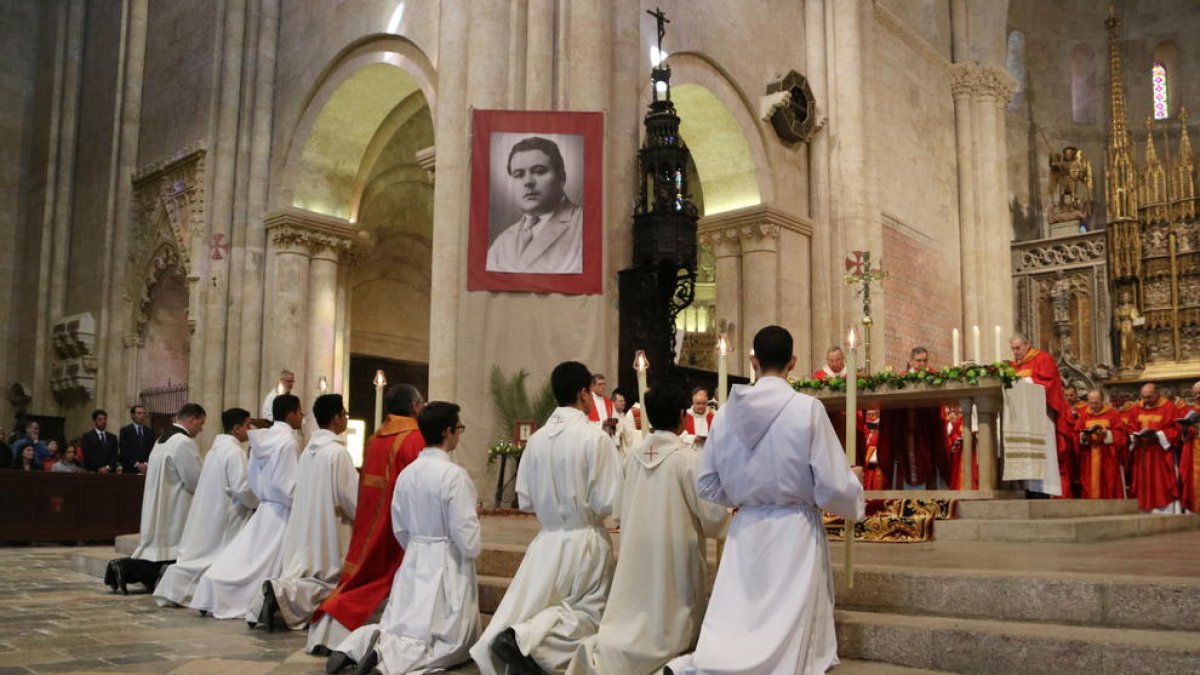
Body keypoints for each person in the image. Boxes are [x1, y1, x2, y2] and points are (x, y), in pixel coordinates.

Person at [665, 325, 864, 675]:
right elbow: (832, 485)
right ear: (794, 362)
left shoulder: (725, 414)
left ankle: (724, 659)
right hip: (795, 528)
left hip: (747, 526)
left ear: (753, 361)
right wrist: (854, 486)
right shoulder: (807, 409)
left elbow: (708, 483)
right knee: (787, 619)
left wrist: (746, 497)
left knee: (743, 610)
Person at [470, 361, 623, 675]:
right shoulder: (594, 439)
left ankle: (525, 640)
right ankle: (525, 638)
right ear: (584, 393)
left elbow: (524, 499)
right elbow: (608, 501)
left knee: (552, 606)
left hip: (547, 541)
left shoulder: (537, 440)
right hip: (585, 540)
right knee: (587, 613)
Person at [567, 382, 729, 675]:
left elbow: (617, 509)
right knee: (672, 622)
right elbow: (714, 516)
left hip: (638, 553)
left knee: (635, 614)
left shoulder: (632, 457)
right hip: (674, 556)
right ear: (683, 415)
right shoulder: (688, 459)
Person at [326, 402, 481, 675]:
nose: (459, 434)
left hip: (414, 557)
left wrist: (417, 547)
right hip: (446, 560)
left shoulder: (407, 474)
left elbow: (399, 526)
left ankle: (356, 646)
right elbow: (466, 537)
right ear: (447, 432)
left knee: (401, 624)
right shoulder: (454, 476)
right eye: (459, 429)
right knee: (446, 641)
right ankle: (387, 661)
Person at [307, 384, 426, 656]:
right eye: (421, 404)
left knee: (360, 575)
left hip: (370, 520)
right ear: (414, 406)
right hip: (395, 525)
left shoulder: (375, 439)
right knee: (378, 579)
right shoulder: (414, 439)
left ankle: (327, 631)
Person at [250, 394, 358, 632]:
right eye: (345, 415)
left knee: (307, 572)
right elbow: (351, 497)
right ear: (337, 418)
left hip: (307, 524)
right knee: (328, 580)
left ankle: (277, 591)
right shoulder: (337, 454)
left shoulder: (311, 449)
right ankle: (280, 593)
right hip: (330, 525)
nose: (345, 419)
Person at [191, 394, 303, 619]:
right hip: (282, 511)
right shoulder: (289, 441)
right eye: (300, 412)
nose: (302, 417)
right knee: (261, 564)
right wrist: (300, 502)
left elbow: (252, 477)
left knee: (247, 557)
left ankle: (214, 587)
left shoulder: (262, 439)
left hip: (265, 508)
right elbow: (287, 485)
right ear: (290, 414)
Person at [153, 408, 258, 608]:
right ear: (236, 429)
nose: (250, 430)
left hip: (213, 511)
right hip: (226, 514)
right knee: (214, 558)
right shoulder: (234, 452)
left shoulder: (215, 449)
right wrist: (259, 499)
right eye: (247, 425)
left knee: (203, 557)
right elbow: (242, 489)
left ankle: (174, 585)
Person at [108, 404, 206, 594]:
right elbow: (195, 480)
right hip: (175, 505)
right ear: (192, 419)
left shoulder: (162, 439)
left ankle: (123, 568)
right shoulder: (183, 442)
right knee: (170, 555)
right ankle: (125, 568)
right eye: (200, 424)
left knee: (160, 554)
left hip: (160, 502)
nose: (200, 429)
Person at [485, 136, 584, 274]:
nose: (528, 182)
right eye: (519, 174)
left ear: (562, 177)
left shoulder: (586, 227)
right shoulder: (501, 244)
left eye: (539, 171)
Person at [1008, 334, 1072, 497]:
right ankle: (1027, 490)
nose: (1015, 352)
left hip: (1041, 416)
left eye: (1017, 348)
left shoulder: (1043, 359)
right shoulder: (1015, 366)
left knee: (1042, 454)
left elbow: (1050, 385)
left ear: (1027, 344)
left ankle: (1042, 491)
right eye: (1012, 349)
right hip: (1023, 419)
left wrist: (1025, 382)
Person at [1128, 383, 1181, 514]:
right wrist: (1133, 437)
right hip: (1142, 454)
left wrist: (1158, 435)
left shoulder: (1168, 407)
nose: (1145, 400)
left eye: (1149, 397)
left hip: (1160, 455)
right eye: (1143, 397)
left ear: (1157, 394)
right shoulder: (1136, 408)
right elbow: (1130, 427)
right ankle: (1143, 511)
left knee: (1160, 483)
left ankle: (1163, 513)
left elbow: (1175, 429)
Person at [1075, 389, 1128, 500]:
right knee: (1089, 483)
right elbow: (1076, 433)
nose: (1093, 406)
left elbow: (1122, 435)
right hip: (1090, 456)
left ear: (1102, 401)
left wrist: (1107, 434)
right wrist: (1084, 436)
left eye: (1096, 403)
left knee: (1108, 483)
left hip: (1107, 456)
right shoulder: (1084, 415)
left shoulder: (1113, 414)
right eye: (1091, 402)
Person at [1179, 381, 1200, 513]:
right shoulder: (1192, 411)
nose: (1197, 396)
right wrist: (1185, 429)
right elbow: (1185, 437)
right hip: (1194, 452)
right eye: (1195, 394)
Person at [120, 404, 157, 474]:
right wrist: (137, 464)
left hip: (147, 469)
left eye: (144, 413)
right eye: (139, 413)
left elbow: (153, 449)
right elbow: (124, 450)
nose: (142, 416)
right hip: (130, 469)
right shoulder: (125, 431)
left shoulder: (150, 432)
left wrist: (146, 463)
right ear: (132, 415)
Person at [81, 409, 121, 473]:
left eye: (105, 419)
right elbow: (88, 454)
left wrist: (108, 467)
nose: (103, 421)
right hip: (93, 471)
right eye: (100, 419)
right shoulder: (87, 436)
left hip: (109, 472)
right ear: (95, 421)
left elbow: (115, 454)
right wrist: (98, 468)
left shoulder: (112, 437)